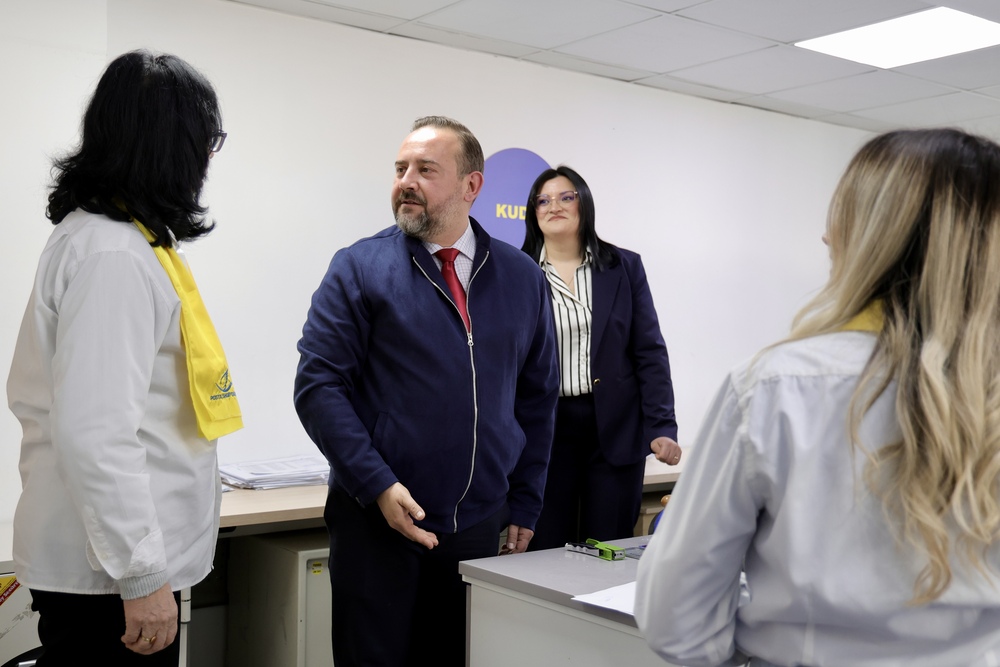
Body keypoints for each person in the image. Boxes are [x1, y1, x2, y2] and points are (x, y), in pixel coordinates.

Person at [635, 128, 1000, 666]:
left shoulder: (775, 389)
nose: (827, 238)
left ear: (877, 238)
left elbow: (677, 622)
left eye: (843, 217)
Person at [293, 115, 559, 666]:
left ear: (471, 185)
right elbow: (319, 385)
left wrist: (526, 500)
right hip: (378, 521)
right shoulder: (359, 267)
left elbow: (536, 399)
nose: (406, 182)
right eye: (400, 169)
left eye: (425, 170)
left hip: (478, 525)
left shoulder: (521, 277)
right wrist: (376, 482)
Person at [6, 50, 241, 666]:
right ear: (171, 145)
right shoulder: (115, 256)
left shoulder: (119, 242)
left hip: (111, 567)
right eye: (207, 139)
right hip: (108, 580)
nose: (208, 157)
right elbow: (96, 432)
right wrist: (141, 576)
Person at [520, 165, 680, 550]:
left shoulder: (623, 267)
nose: (554, 206)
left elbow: (649, 351)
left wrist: (662, 427)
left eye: (566, 197)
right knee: (543, 552)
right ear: (533, 212)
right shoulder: (517, 271)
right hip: (544, 430)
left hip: (615, 427)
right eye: (543, 200)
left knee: (608, 548)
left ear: (584, 204)